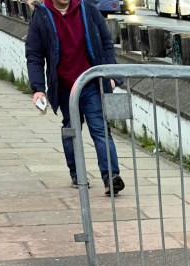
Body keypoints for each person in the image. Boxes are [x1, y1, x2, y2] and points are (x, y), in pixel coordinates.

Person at [25, 0, 124, 195]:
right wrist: (38, 89)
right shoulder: (41, 15)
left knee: (101, 129)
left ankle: (111, 177)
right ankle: (77, 173)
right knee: (71, 129)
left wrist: (111, 75)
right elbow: (34, 55)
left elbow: (106, 43)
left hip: (91, 83)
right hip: (64, 87)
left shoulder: (88, 10)